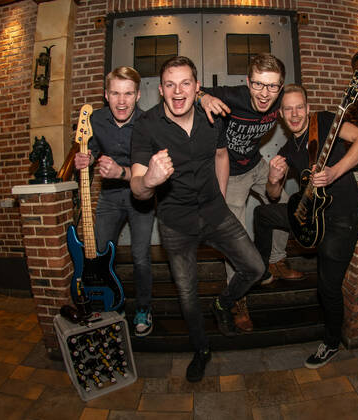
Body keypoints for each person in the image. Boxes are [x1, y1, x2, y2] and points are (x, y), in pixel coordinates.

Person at [130, 56, 264, 383]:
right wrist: (149, 181)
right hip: (175, 223)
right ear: (161, 90)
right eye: (170, 85)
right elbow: (137, 187)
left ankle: (223, 304)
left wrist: (221, 195)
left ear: (196, 87)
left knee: (255, 267)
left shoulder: (211, 115)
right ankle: (201, 349)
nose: (178, 92)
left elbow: (221, 155)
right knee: (187, 295)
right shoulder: (146, 126)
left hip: (215, 212)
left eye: (185, 83)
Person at [253, 84, 358, 369]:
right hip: (312, 215)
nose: (295, 114)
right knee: (263, 214)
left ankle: (331, 343)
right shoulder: (288, 149)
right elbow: (273, 195)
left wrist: (334, 172)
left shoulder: (325, 121)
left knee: (327, 287)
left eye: (299, 107)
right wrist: (272, 179)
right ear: (281, 115)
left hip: (342, 217)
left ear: (308, 109)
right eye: (288, 109)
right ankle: (264, 269)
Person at [198, 53, 303, 332]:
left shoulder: (281, 100)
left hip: (256, 164)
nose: (265, 94)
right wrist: (203, 98)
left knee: (286, 205)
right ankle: (237, 298)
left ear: (280, 86)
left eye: (272, 86)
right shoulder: (232, 97)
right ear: (248, 82)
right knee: (236, 237)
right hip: (230, 173)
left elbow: (300, 114)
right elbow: (190, 89)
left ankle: (276, 260)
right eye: (258, 84)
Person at [74, 66, 154, 337]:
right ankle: (110, 302)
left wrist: (122, 171)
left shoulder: (148, 122)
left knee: (140, 256)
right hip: (108, 196)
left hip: (140, 197)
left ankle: (143, 308)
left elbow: (151, 168)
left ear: (138, 95)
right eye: (116, 93)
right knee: (98, 252)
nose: (122, 101)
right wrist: (87, 158)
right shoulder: (95, 120)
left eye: (128, 94)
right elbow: (92, 149)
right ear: (106, 95)